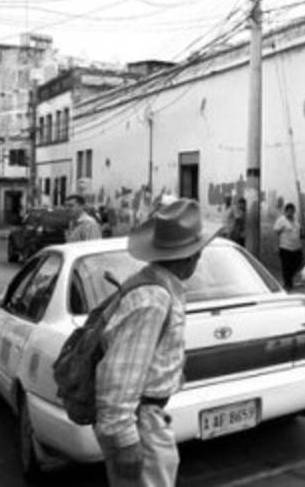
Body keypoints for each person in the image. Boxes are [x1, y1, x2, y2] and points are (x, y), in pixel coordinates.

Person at [95, 197, 215, 487]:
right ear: (191, 256)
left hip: (146, 417)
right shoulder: (154, 297)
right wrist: (126, 441)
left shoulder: (158, 284)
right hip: (140, 422)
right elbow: (118, 376)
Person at [273, 203, 304, 289]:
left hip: (297, 247)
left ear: (294, 211)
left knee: (298, 262)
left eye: (292, 211)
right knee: (286, 266)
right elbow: (276, 234)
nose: (290, 213)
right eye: (289, 211)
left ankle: (289, 280)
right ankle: (288, 284)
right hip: (285, 247)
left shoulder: (296, 220)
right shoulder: (281, 221)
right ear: (286, 211)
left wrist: (303, 236)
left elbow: (300, 232)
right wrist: (276, 246)